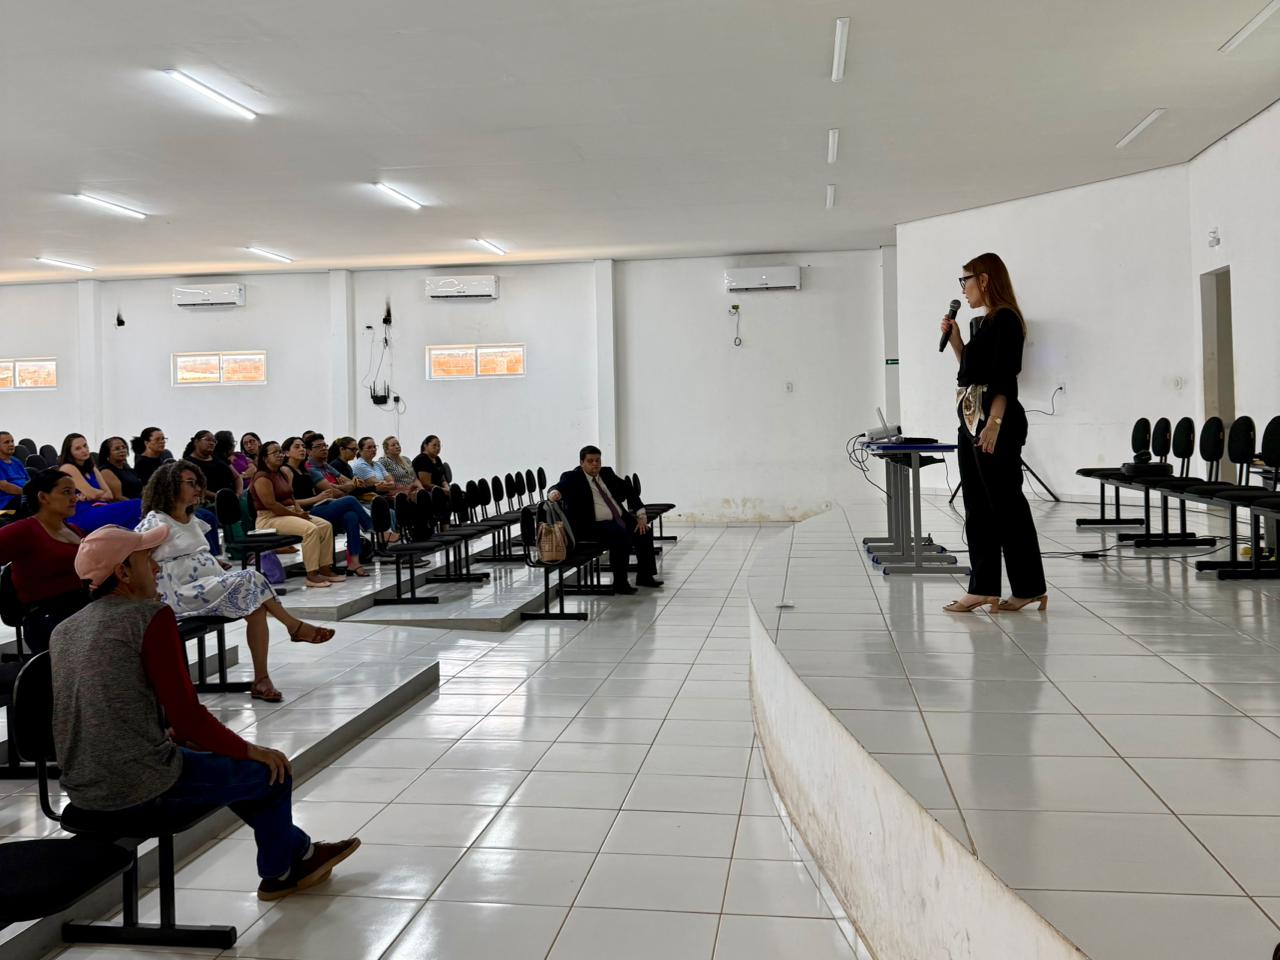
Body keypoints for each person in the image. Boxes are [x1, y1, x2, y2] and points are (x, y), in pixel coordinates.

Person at [49, 524, 360, 900]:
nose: (158, 569)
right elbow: (189, 717)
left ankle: (301, 853)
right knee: (269, 772)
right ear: (123, 573)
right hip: (139, 784)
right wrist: (254, 750)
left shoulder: (64, 629)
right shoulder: (149, 617)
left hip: (81, 788)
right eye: (148, 559)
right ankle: (282, 873)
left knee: (225, 766)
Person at [137, 461, 335, 702]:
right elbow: (137, 553)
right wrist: (152, 573)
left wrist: (214, 563)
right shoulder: (157, 520)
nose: (197, 488)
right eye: (190, 483)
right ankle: (293, 626)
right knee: (251, 577)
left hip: (206, 583)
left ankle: (262, 679)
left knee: (256, 606)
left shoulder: (191, 518)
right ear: (169, 487)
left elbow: (196, 552)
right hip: (180, 592)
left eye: (198, 483)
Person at [941, 252, 1047, 613]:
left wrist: (995, 423)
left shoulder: (1006, 320)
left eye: (965, 280)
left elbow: (1004, 377)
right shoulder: (984, 323)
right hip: (972, 419)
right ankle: (982, 586)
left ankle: (1029, 587)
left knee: (1006, 505)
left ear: (984, 279)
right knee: (978, 505)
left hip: (993, 422)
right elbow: (971, 370)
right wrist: (955, 339)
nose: (963, 289)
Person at [548, 445, 662, 594]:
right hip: (591, 525)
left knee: (644, 532)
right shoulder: (572, 477)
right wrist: (553, 493)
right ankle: (620, 583)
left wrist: (641, 516)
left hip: (619, 518)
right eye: (590, 461)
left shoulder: (606, 473)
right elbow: (557, 487)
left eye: (597, 460)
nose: (595, 464)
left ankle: (645, 576)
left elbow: (629, 490)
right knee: (620, 536)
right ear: (582, 462)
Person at [0, 470, 89, 651]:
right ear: (43, 497)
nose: (74, 498)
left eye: (75, 492)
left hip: (81, 611)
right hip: (48, 619)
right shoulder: (24, 531)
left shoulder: (75, 530)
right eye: (66, 492)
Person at [250, 441, 343, 589]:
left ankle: (324, 568)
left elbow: (291, 497)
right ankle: (312, 575)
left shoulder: (280, 473)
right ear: (264, 458)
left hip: (288, 513)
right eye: (275, 453)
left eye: (280, 452)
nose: (280, 455)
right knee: (310, 529)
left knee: (325, 526)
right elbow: (271, 505)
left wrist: (299, 510)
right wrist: (298, 516)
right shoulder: (262, 477)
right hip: (269, 519)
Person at [282, 436, 376, 574]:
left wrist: (324, 496)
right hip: (303, 512)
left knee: (350, 516)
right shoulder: (286, 471)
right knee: (350, 500)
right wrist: (316, 498)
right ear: (286, 452)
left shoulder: (305, 470)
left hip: (318, 506)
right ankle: (372, 528)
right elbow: (289, 502)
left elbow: (349, 484)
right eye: (297, 447)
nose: (301, 449)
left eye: (302, 446)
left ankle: (354, 563)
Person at [58, 433, 142, 533]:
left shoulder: (92, 467)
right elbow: (92, 494)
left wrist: (91, 495)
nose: (84, 450)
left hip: (100, 507)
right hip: (82, 514)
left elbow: (109, 495)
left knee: (135, 518)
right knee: (138, 505)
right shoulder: (68, 468)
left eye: (85, 446)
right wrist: (96, 494)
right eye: (78, 448)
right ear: (69, 452)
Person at [0, 431, 30, 516]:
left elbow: (28, 481)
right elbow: (4, 486)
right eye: (6, 442)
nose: (11, 444)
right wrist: (26, 493)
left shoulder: (16, 461)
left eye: (12, 441)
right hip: (6, 503)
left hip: (23, 496)